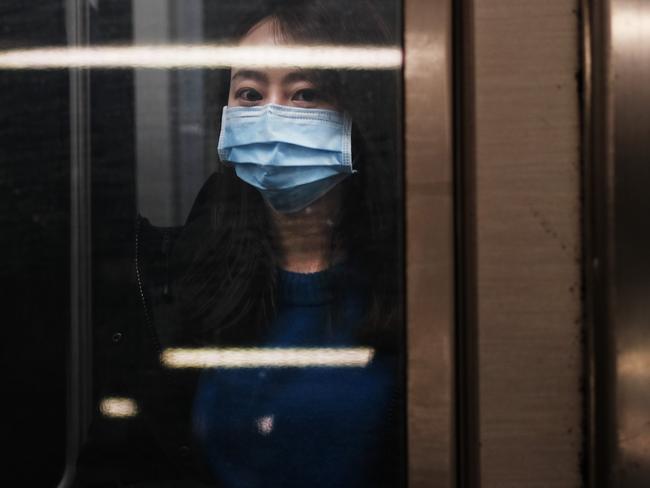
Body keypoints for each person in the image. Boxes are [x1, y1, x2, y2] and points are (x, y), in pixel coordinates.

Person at [77, 0, 404, 486]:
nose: (271, 116)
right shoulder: (185, 277)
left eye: (305, 92)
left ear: (360, 107)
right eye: (250, 93)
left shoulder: (413, 275)